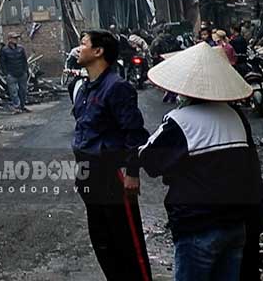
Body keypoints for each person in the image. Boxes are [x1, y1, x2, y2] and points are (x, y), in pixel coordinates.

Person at [137, 42, 262, 280]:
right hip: (235, 226)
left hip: (198, 226)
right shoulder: (235, 116)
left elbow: (151, 162)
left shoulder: (180, 120)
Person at [72, 30, 153, 280]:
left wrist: (132, 172)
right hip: (89, 174)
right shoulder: (84, 87)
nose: (78, 49)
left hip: (113, 175)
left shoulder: (117, 87)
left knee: (127, 243)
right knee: (102, 240)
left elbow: (134, 132)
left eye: (83, 44)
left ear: (98, 52)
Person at [0, 32, 30, 113]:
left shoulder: (21, 49)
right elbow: (2, 63)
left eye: (16, 38)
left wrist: (25, 71)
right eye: (14, 38)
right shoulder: (4, 50)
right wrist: (6, 73)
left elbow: (24, 60)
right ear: (9, 39)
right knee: (13, 92)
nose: (16, 40)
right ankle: (17, 106)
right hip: (11, 74)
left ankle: (22, 106)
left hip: (21, 73)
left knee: (23, 91)